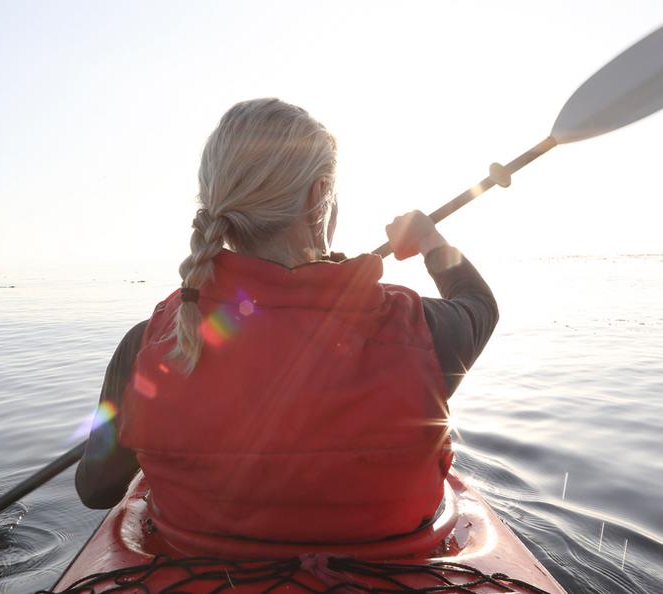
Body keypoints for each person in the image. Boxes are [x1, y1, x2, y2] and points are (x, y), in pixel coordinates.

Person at [72, 98, 499, 554]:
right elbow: (479, 305)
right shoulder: (422, 332)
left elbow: (96, 490)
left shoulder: (146, 345)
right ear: (318, 196)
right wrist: (432, 241)